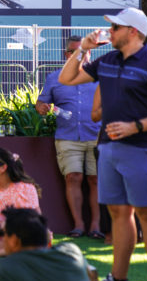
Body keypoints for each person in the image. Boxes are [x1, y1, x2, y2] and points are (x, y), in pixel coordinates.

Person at [59, 7, 147, 281]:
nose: (109, 32)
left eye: (115, 27)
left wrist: (135, 127)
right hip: (109, 148)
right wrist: (82, 52)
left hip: (143, 149)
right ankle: (118, 280)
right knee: (118, 212)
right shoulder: (107, 60)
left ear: (133, 32)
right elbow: (67, 79)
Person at [36, 35, 102, 238]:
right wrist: (43, 108)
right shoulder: (54, 78)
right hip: (67, 136)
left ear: (90, 53)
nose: (80, 55)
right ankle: (78, 225)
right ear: (67, 54)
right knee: (73, 178)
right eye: (75, 51)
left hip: (97, 135)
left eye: (84, 51)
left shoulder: (100, 77)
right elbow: (40, 105)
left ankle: (96, 227)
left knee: (95, 180)